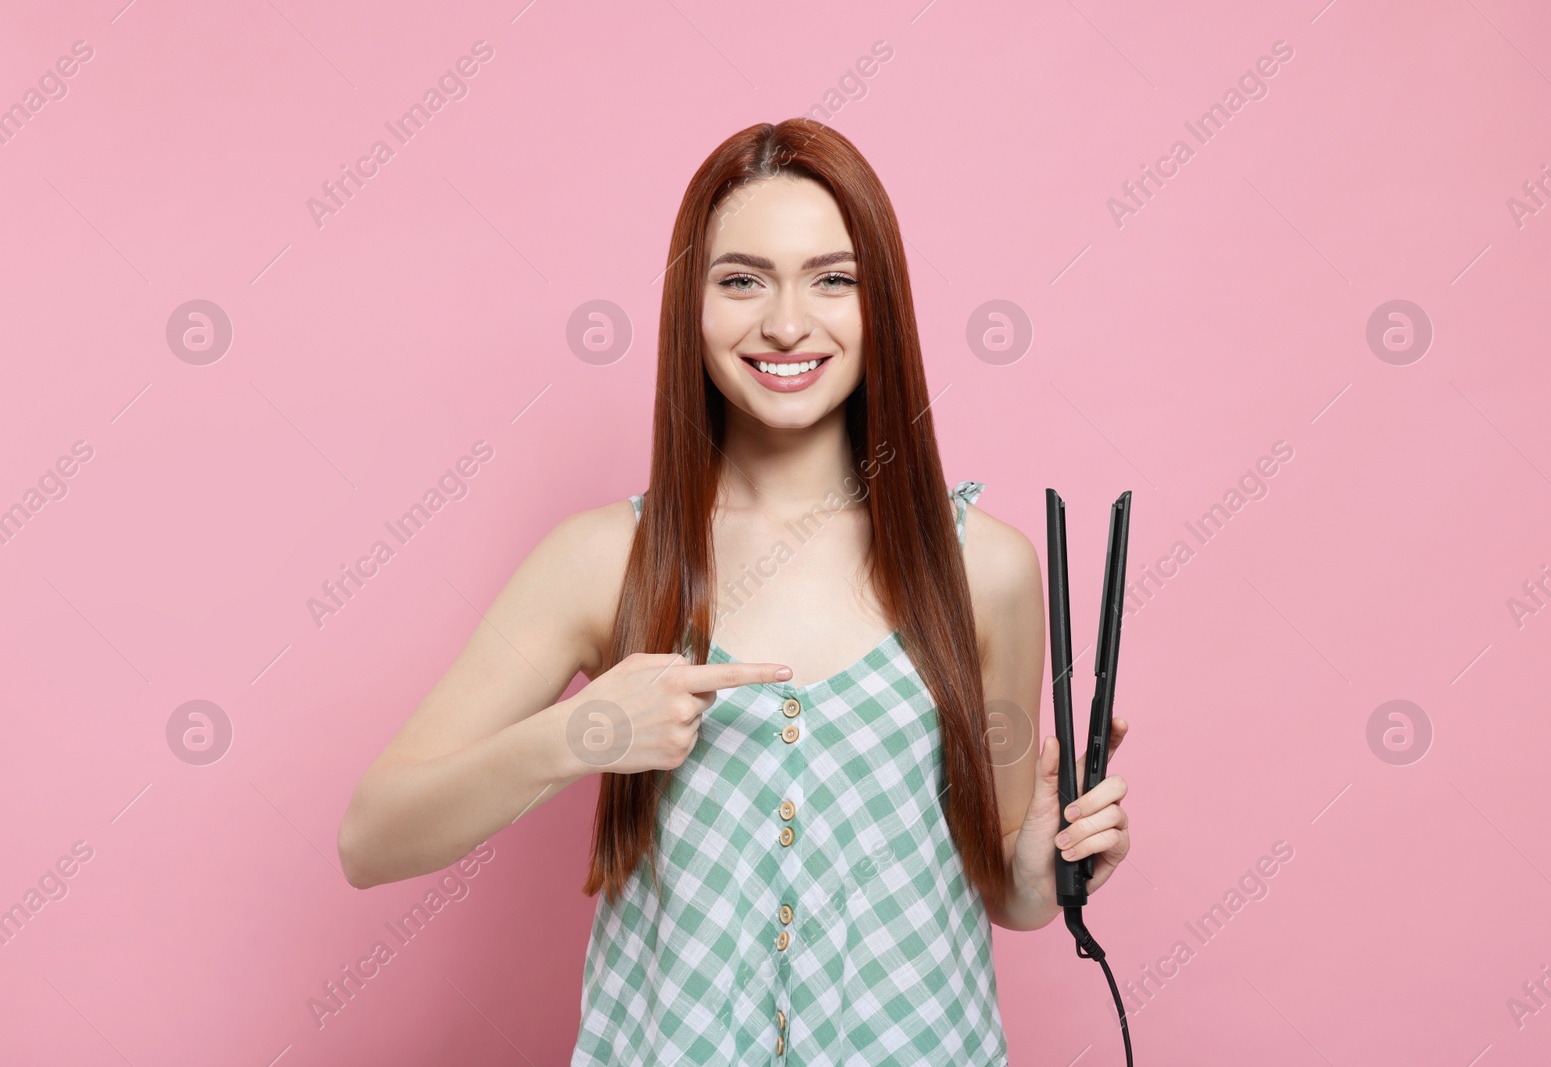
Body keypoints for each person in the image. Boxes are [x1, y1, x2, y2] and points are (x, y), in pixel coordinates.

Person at [337, 118, 1131, 1066]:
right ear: (692, 304)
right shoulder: (605, 560)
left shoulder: (984, 570)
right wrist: (585, 732)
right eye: (742, 280)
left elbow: (1003, 890)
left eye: (833, 279)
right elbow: (371, 838)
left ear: (883, 305)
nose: (787, 323)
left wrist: (1047, 868)